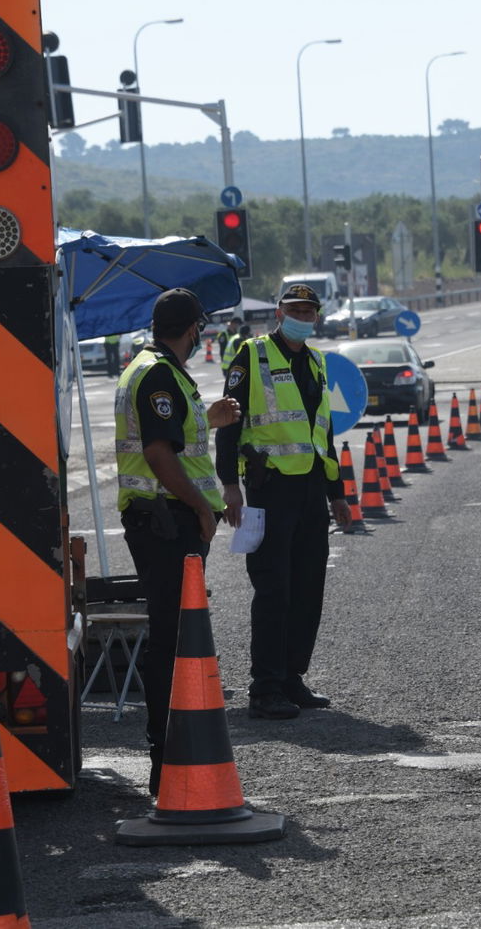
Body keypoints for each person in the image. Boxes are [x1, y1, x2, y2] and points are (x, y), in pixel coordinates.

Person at [115, 288, 241, 795]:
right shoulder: (161, 374)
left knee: (174, 634)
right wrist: (197, 508)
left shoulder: (146, 367)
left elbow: (169, 433)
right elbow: (160, 454)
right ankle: (166, 755)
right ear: (193, 329)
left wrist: (206, 419)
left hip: (161, 520)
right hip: (167, 521)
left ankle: (171, 751)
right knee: (172, 639)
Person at [216, 284, 352, 720]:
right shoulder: (251, 355)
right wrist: (230, 484)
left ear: (317, 317)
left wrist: (337, 494)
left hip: (311, 490)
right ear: (279, 312)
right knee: (273, 589)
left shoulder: (315, 362)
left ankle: (292, 676)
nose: (302, 316)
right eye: (295, 309)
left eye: (309, 311)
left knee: (308, 587)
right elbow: (227, 422)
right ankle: (266, 687)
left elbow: (322, 431)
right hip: (270, 488)